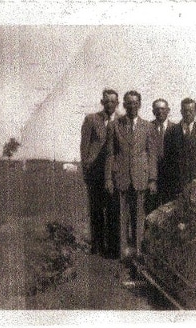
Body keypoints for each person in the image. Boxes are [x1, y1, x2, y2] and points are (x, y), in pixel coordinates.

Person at [105, 90, 157, 267]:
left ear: (140, 105)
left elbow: (151, 155)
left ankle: (138, 253)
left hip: (140, 179)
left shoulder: (148, 127)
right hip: (121, 178)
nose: (132, 106)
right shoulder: (114, 126)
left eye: (135, 103)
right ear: (124, 105)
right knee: (121, 217)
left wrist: (152, 179)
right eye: (129, 103)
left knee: (138, 218)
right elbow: (110, 154)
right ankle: (123, 254)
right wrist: (109, 179)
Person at [80, 89, 119, 258]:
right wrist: (86, 170)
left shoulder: (121, 120)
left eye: (113, 101)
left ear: (117, 103)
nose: (110, 104)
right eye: (107, 101)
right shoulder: (91, 119)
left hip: (112, 172)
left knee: (112, 208)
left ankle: (111, 245)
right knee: (96, 209)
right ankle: (96, 244)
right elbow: (84, 146)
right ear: (102, 102)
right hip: (95, 172)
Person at [164, 97, 196, 200]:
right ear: (181, 111)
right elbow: (167, 159)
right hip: (176, 184)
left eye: (191, 111)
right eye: (185, 111)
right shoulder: (171, 131)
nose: (187, 113)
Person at [145, 98, 175, 213]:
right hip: (151, 177)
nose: (160, 112)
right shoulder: (147, 127)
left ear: (168, 110)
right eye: (157, 109)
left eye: (163, 109)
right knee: (152, 211)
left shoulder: (175, 128)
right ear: (153, 112)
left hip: (169, 177)